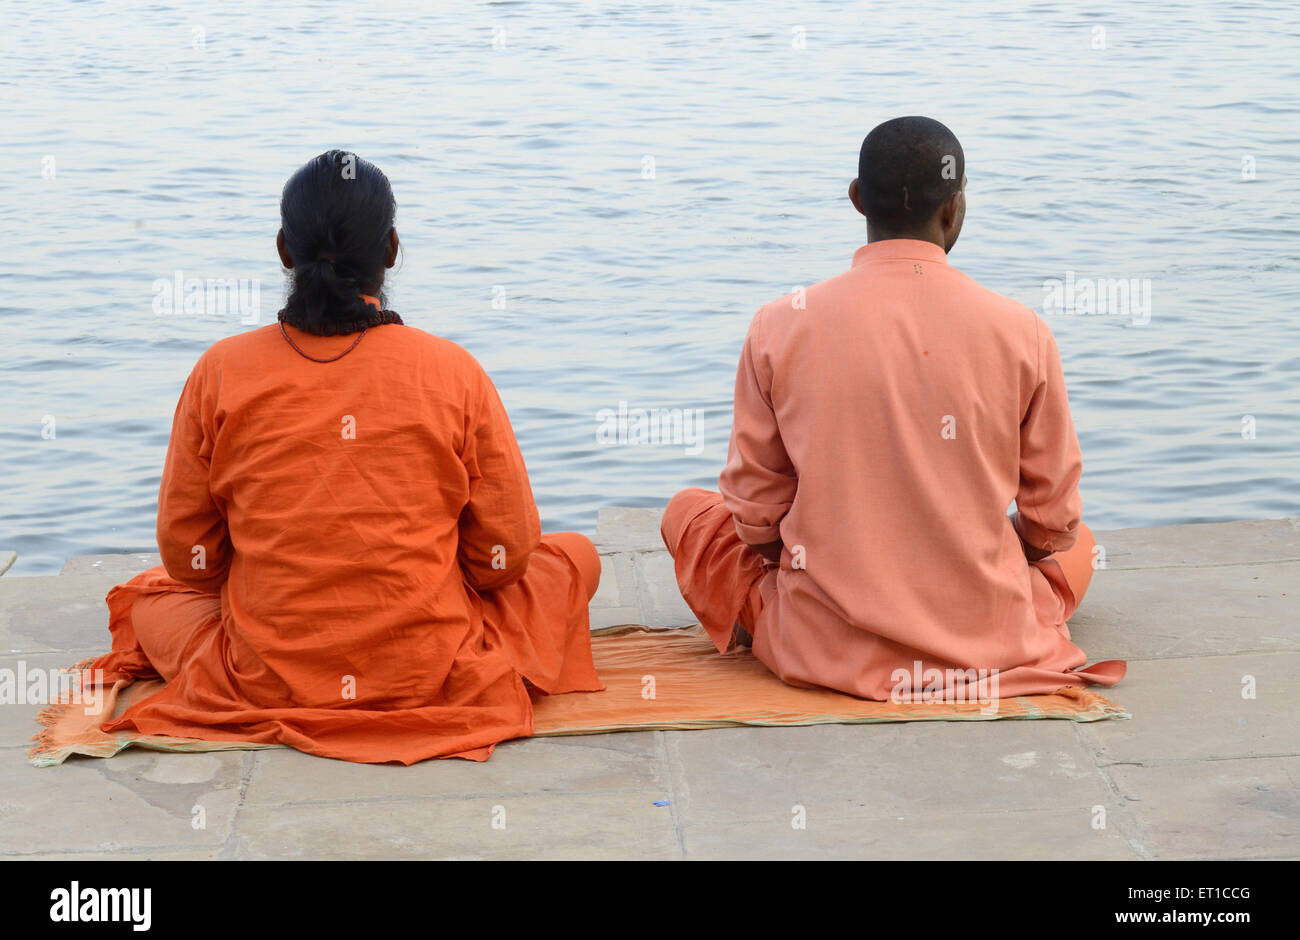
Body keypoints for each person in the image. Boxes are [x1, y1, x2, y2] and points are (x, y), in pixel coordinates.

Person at [90, 150, 603, 764]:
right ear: (390, 250)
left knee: (151, 596)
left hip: (264, 676)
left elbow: (190, 561)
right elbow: (504, 555)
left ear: (284, 250)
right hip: (427, 670)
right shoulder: (452, 369)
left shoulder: (220, 370)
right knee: (572, 557)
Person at [661, 117, 1124, 703]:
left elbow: (755, 511)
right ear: (954, 209)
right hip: (988, 637)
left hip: (820, 642)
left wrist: (802, 560)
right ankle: (995, 613)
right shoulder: (1021, 329)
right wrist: (999, 554)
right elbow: (1052, 518)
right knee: (1080, 545)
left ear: (857, 199)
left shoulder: (781, 322)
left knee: (686, 511)